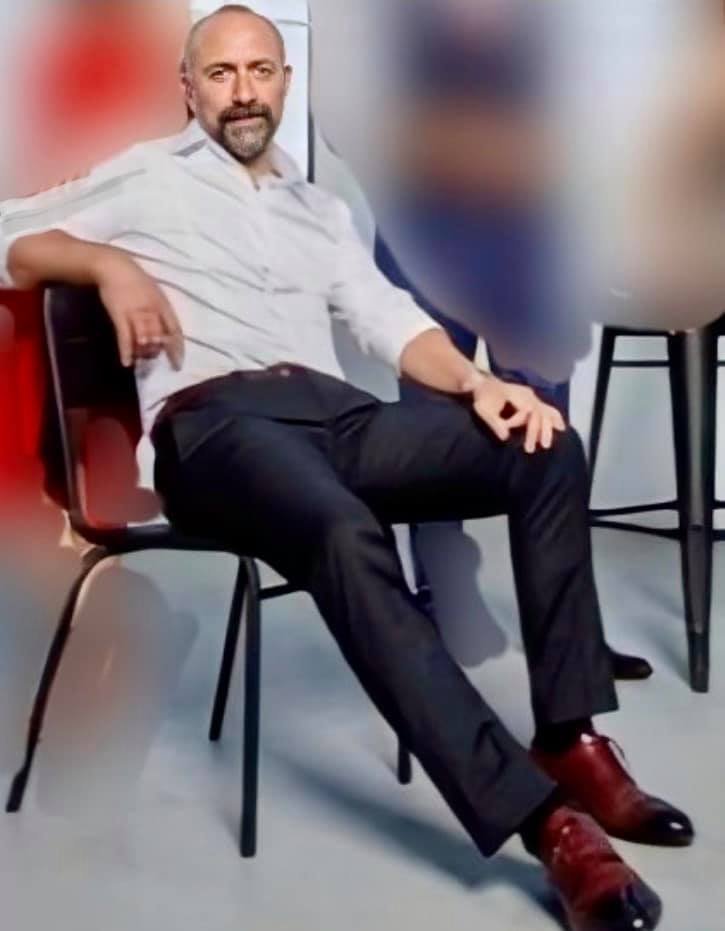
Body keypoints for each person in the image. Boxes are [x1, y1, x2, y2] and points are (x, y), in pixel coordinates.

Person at [0, 7, 694, 930]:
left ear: (284, 83)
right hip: (215, 429)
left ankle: (569, 737)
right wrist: (103, 264)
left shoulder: (316, 209)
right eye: (221, 73)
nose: (242, 91)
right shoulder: (146, 177)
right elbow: (6, 231)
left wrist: (480, 385)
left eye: (259, 71)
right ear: (188, 88)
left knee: (543, 444)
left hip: (335, 419)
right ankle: (549, 825)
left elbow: (391, 322)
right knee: (339, 525)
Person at [372, 1, 651, 680]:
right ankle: (435, 615)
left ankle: (569, 640)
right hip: (427, 243)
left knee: (547, 441)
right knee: (430, 442)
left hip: (528, 252)